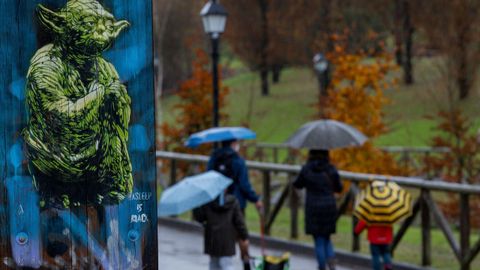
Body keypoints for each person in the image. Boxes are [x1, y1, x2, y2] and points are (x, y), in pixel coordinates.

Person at [293, 149, 342, 270]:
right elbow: (339, 188)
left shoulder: (307, 169)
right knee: (327, 237)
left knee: (319, 239)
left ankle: (321, 266)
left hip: (313, 207)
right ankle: (331, 262)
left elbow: (297, 184)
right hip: (329, 206)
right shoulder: (331, 169)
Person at [193, 192, 250, 270]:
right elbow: (239, 221)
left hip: (212, 238)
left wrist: (196, 206)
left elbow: (200, 218)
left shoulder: (207, 202)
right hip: (227, 239)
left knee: (214, 264)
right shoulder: (232, 202)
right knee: (227, 264)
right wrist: (244, 236)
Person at [208, 140, 263, 212]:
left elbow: (209, 177)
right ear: (233, 144)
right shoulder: (238, 160)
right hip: (236, 202)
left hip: (216, 201)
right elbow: (244, 185)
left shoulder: (214, 158)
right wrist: (255, 199)